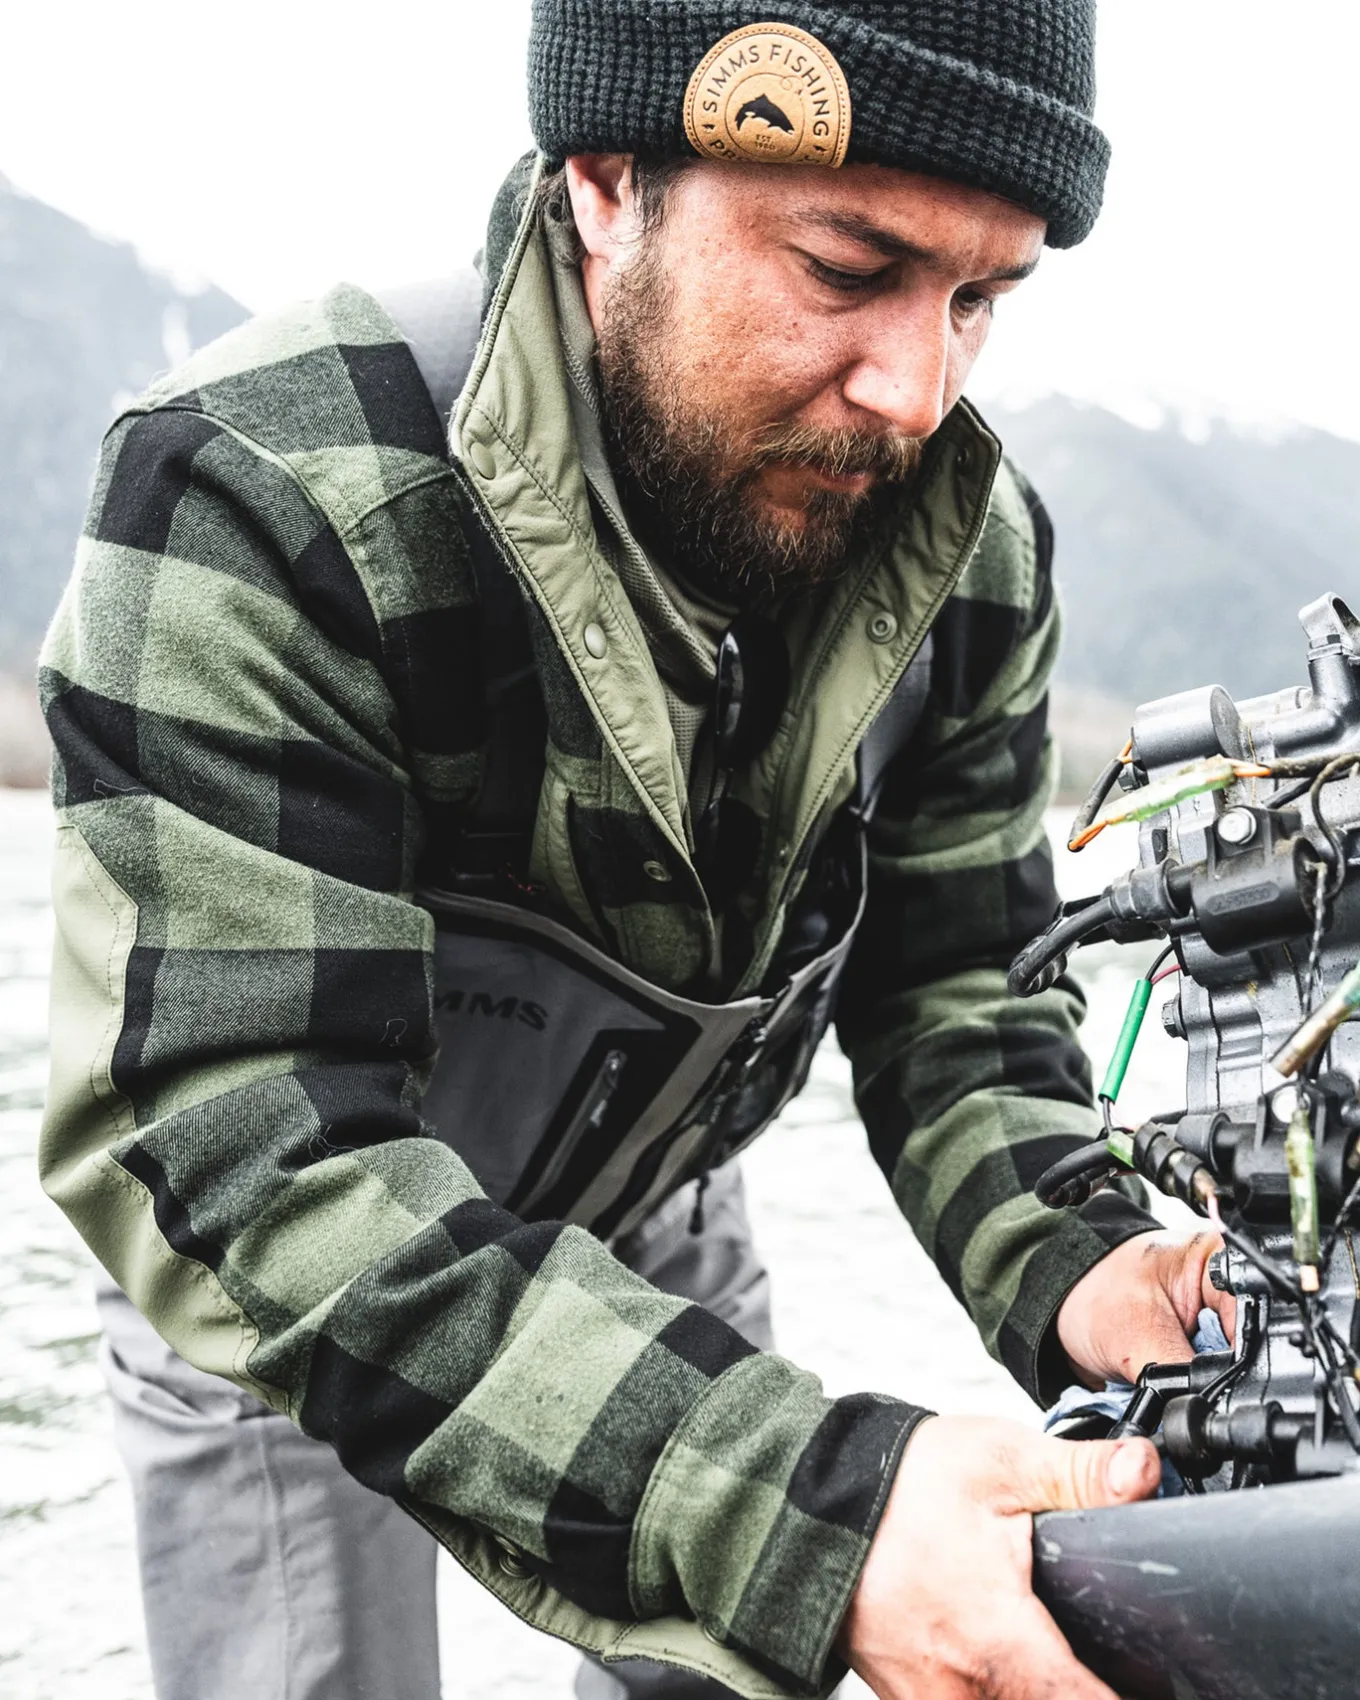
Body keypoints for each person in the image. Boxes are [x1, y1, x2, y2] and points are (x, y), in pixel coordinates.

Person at [39, 4, 1233, 1698]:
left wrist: (1089, 1260)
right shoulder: (257, 494)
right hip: (282, 1252)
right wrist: (808, 1513)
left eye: (980, 298)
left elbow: (959, 996)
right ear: (607, 180)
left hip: (658, 1199)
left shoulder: (975, 563)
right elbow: (255, 1148)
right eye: (848, 269)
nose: (917, 394)